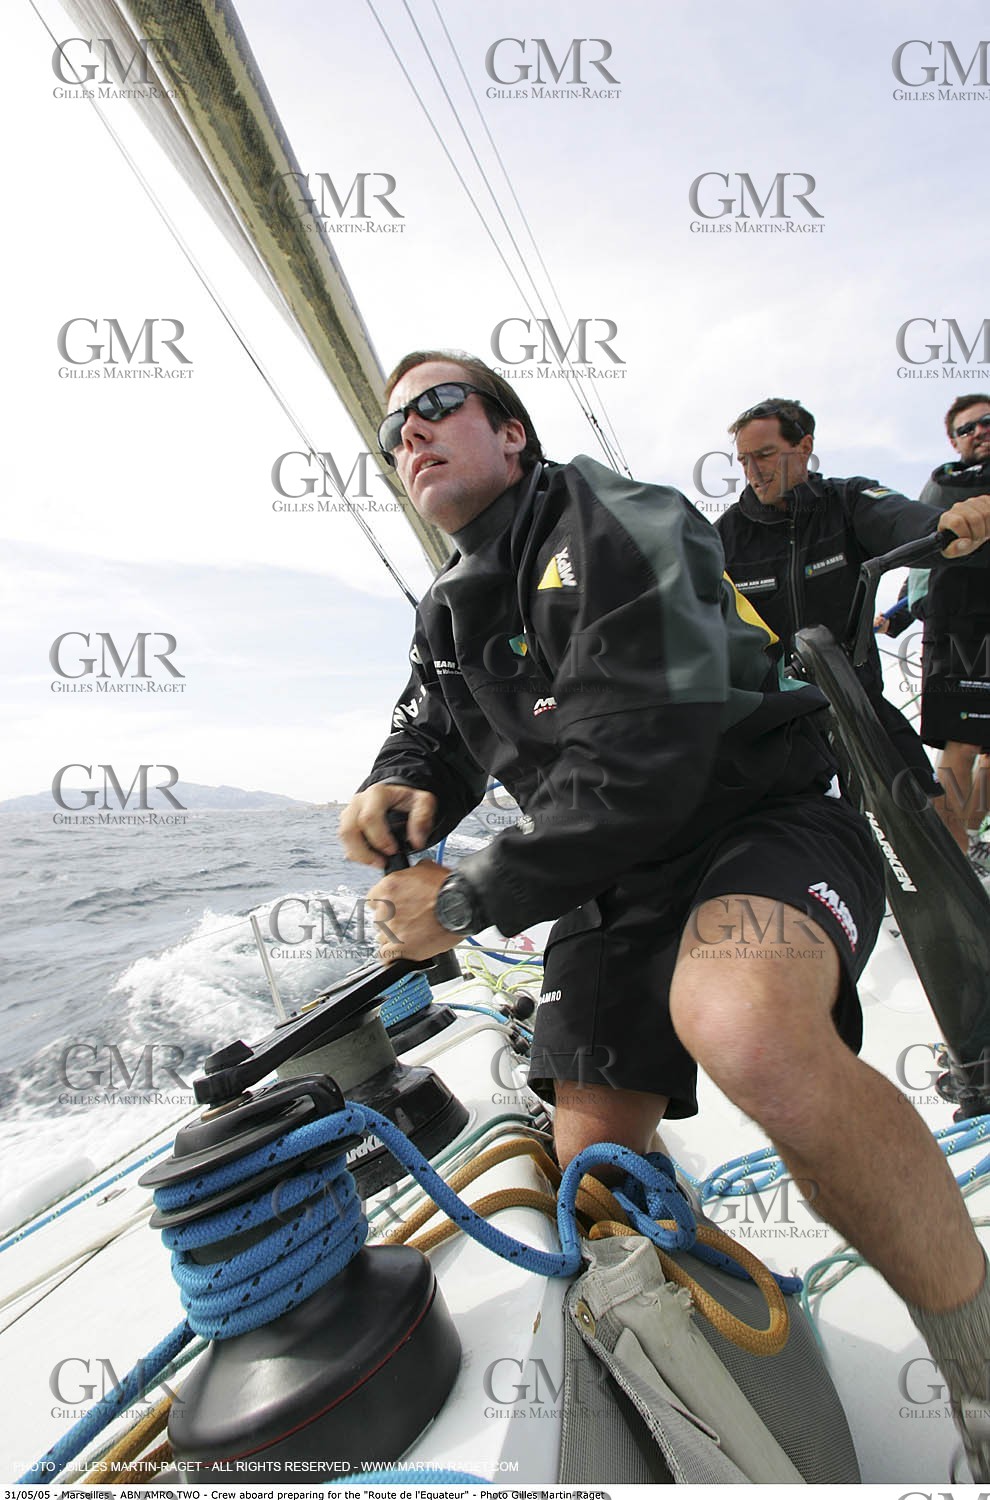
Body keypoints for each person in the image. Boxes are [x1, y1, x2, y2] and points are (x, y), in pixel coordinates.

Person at [339, 352, 990, 1477]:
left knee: (739, 1022)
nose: (412, 434)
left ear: (513, 434)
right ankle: (752, 1349)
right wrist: (400, 779)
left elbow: (646, 756)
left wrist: (464, 898)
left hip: (757, 823)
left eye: (438, 407)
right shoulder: (449, 608)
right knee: (595, 1184)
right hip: (606, 889)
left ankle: (977, 1378)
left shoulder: (616, 517)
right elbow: (432, 723)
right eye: (393, 430)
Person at [714, 397, 964, 827]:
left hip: (858, 703)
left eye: (766, 455)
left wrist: (956, 524)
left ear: (805, 446)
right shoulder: (724, 537)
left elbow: (915, 524)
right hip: (772, 722)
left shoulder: (848, 502)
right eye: (743, 460)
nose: (753, 471)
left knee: (930, 818)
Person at [910, 394, 990, 856]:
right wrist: (910, 607)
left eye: (986, 422)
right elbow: (919, 547)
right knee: (961, 739)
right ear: (954, 439)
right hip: (958, 624)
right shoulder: (943, 485)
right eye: (967, 428)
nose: (978, 431)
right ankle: (948, 863)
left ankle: (973, 844)